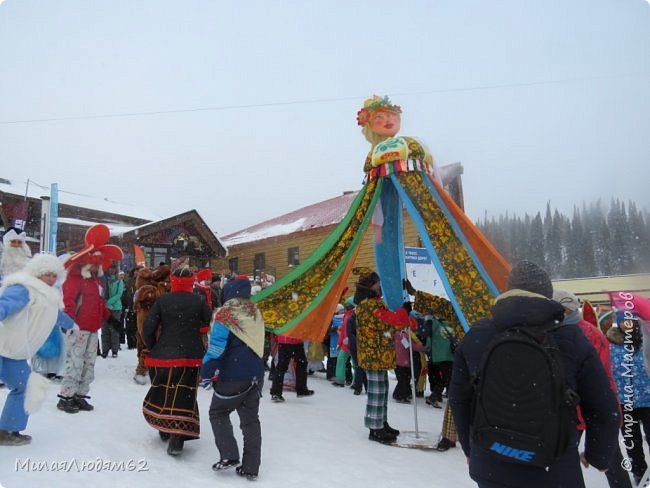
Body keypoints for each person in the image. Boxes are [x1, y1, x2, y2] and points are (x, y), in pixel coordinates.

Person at [450, 260, 620, 488]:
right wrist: (599, 455)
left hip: (490, 460)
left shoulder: (478, 334)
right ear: (548, 296)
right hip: (553, 467)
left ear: (508, 292)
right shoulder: (571, 338)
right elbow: (602, 406)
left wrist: (471, 448)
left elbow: (459, 399)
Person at [553, 289, 632, 488]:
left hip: (578, 406)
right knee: (608, 455)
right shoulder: (587, 331)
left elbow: (598, 375)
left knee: (565, 461)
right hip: (592, 404)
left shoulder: (575, 334)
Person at [0, 253, 76, 445]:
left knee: (25, 388)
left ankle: (8, 430)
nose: (51, 279)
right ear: (36, 273)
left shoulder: (48, 296)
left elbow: (54, 315)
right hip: (3, 347)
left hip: (13, 354)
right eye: (47, 274)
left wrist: (71, 325)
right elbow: (4, 305)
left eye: (54, 275)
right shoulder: (23, 288)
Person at [201, 275, 265, 481]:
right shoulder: (255, 312)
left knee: (217, 412)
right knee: (250, 421)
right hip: (255, 375)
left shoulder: (225, 314)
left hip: (233, 376)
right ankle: (251, 467)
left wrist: (206, 371)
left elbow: (217, 348)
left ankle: (229, 455)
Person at [142, 267, 211, 456]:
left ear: (172, 282)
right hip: (190, 355)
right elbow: (207, 321)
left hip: (163, 354)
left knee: (164, 390)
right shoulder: (199, 300)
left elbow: (148, 327)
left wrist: (155, 346)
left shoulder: (163, 300)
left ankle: (164, 427)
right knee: (183, 395)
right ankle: (177, 439)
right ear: (191, 283)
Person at [353, 267, 415, 444]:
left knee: (382, 390)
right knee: (377, 392)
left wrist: (404, 314)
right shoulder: (371, 305)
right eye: (378, 284)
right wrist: (404, 311)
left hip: (377, 354)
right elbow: (391, 322)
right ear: (371, 286)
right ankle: (375, 428)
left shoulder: (369, 303)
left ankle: (381, 422)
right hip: (375, 355)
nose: (380, 287)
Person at [608, 315, 649, 486]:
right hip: (625, 401)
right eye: (624, 320)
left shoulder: (647, 339)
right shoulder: (610, 343)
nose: (628, 324)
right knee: (633, 442)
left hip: (648, 399)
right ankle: (640, 473)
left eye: (631, 320)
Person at [132, 263, 170, 385]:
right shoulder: (146, 287)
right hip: (146, 319)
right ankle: (142, 370)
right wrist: (162, 286)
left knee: (155, 343)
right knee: (144, 342)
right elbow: (152, 296)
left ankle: (152, 368)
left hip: (156, 319)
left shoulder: (156, 286)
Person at [269, 332, 314, 402]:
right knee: (284, 366)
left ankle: (276, 393)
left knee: (284, 366)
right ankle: (300, 389)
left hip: (290, 339)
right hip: (290, 339)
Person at [100, 265, 123, 358]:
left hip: (116, 308)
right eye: (110, 269)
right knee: (104, 330)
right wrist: (104, 303)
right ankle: (105, 350)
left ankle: (114, 350)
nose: (112, 270)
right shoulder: (104, 280)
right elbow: (101, 292)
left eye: (113, 269)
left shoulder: (119, 280)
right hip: (105, 308)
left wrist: (109, 302)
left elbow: (119, 294)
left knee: (114, 330)